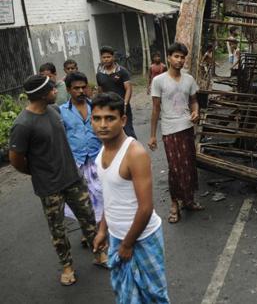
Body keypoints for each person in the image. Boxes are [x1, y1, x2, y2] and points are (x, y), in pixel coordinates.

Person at [9, 74, 107, 286]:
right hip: (49, 186)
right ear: (42, 94)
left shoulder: (54, 111)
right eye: (53, 89)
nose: (56, 91)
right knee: (58, 230)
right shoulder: (23, 124)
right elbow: (15, 160)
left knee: (88, 217)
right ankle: (67, 267)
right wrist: (37, 172)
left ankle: (99, 254)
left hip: (73, 177)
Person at [91, 92, 168, 303]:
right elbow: (110, 198)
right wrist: (102, 230)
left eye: (110, 118)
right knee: (124, 293)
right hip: (117, 236)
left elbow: (145, 208)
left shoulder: (135, 153)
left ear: (123, 120)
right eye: (97, 118)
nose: (103, 125)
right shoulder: (101, 152)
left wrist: (127, 244)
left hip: (142, 238)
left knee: (154, 295)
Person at [148, 42, 203, 224]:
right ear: (169, 58)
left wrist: (196, 112)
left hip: (187, 127)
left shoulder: (189, 79)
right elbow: (155, 109)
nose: (179, 60)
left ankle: (188, 200)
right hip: (170, 130)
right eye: (176, 56)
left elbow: (194, 100)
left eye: (182, 57)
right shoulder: (159, 81)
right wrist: (152, 135)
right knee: (175, 168)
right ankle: (174, 204)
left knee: (188, 165)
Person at [60, 72, 104, 245]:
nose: (80, 91)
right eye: (76, 88)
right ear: (69, 90)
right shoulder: (62, 111)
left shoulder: (96, 107)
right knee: (83, 201)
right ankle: (89, 231)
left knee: (101, 196)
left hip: (97, 158)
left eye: (83, 87)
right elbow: (62, 137)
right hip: (76, 162)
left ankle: (101, 232)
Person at [96, 45, 136, 139]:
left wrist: (125, 104)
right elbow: (100, 92)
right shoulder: (99, 74)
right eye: (104, 57)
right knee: (112, 133)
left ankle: (134, 151)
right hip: (108, 108)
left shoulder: (122, 71)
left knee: (128, 131)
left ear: (113, 57)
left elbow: (128, 89)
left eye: (108, 57)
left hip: (122, 107)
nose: (106, 59)